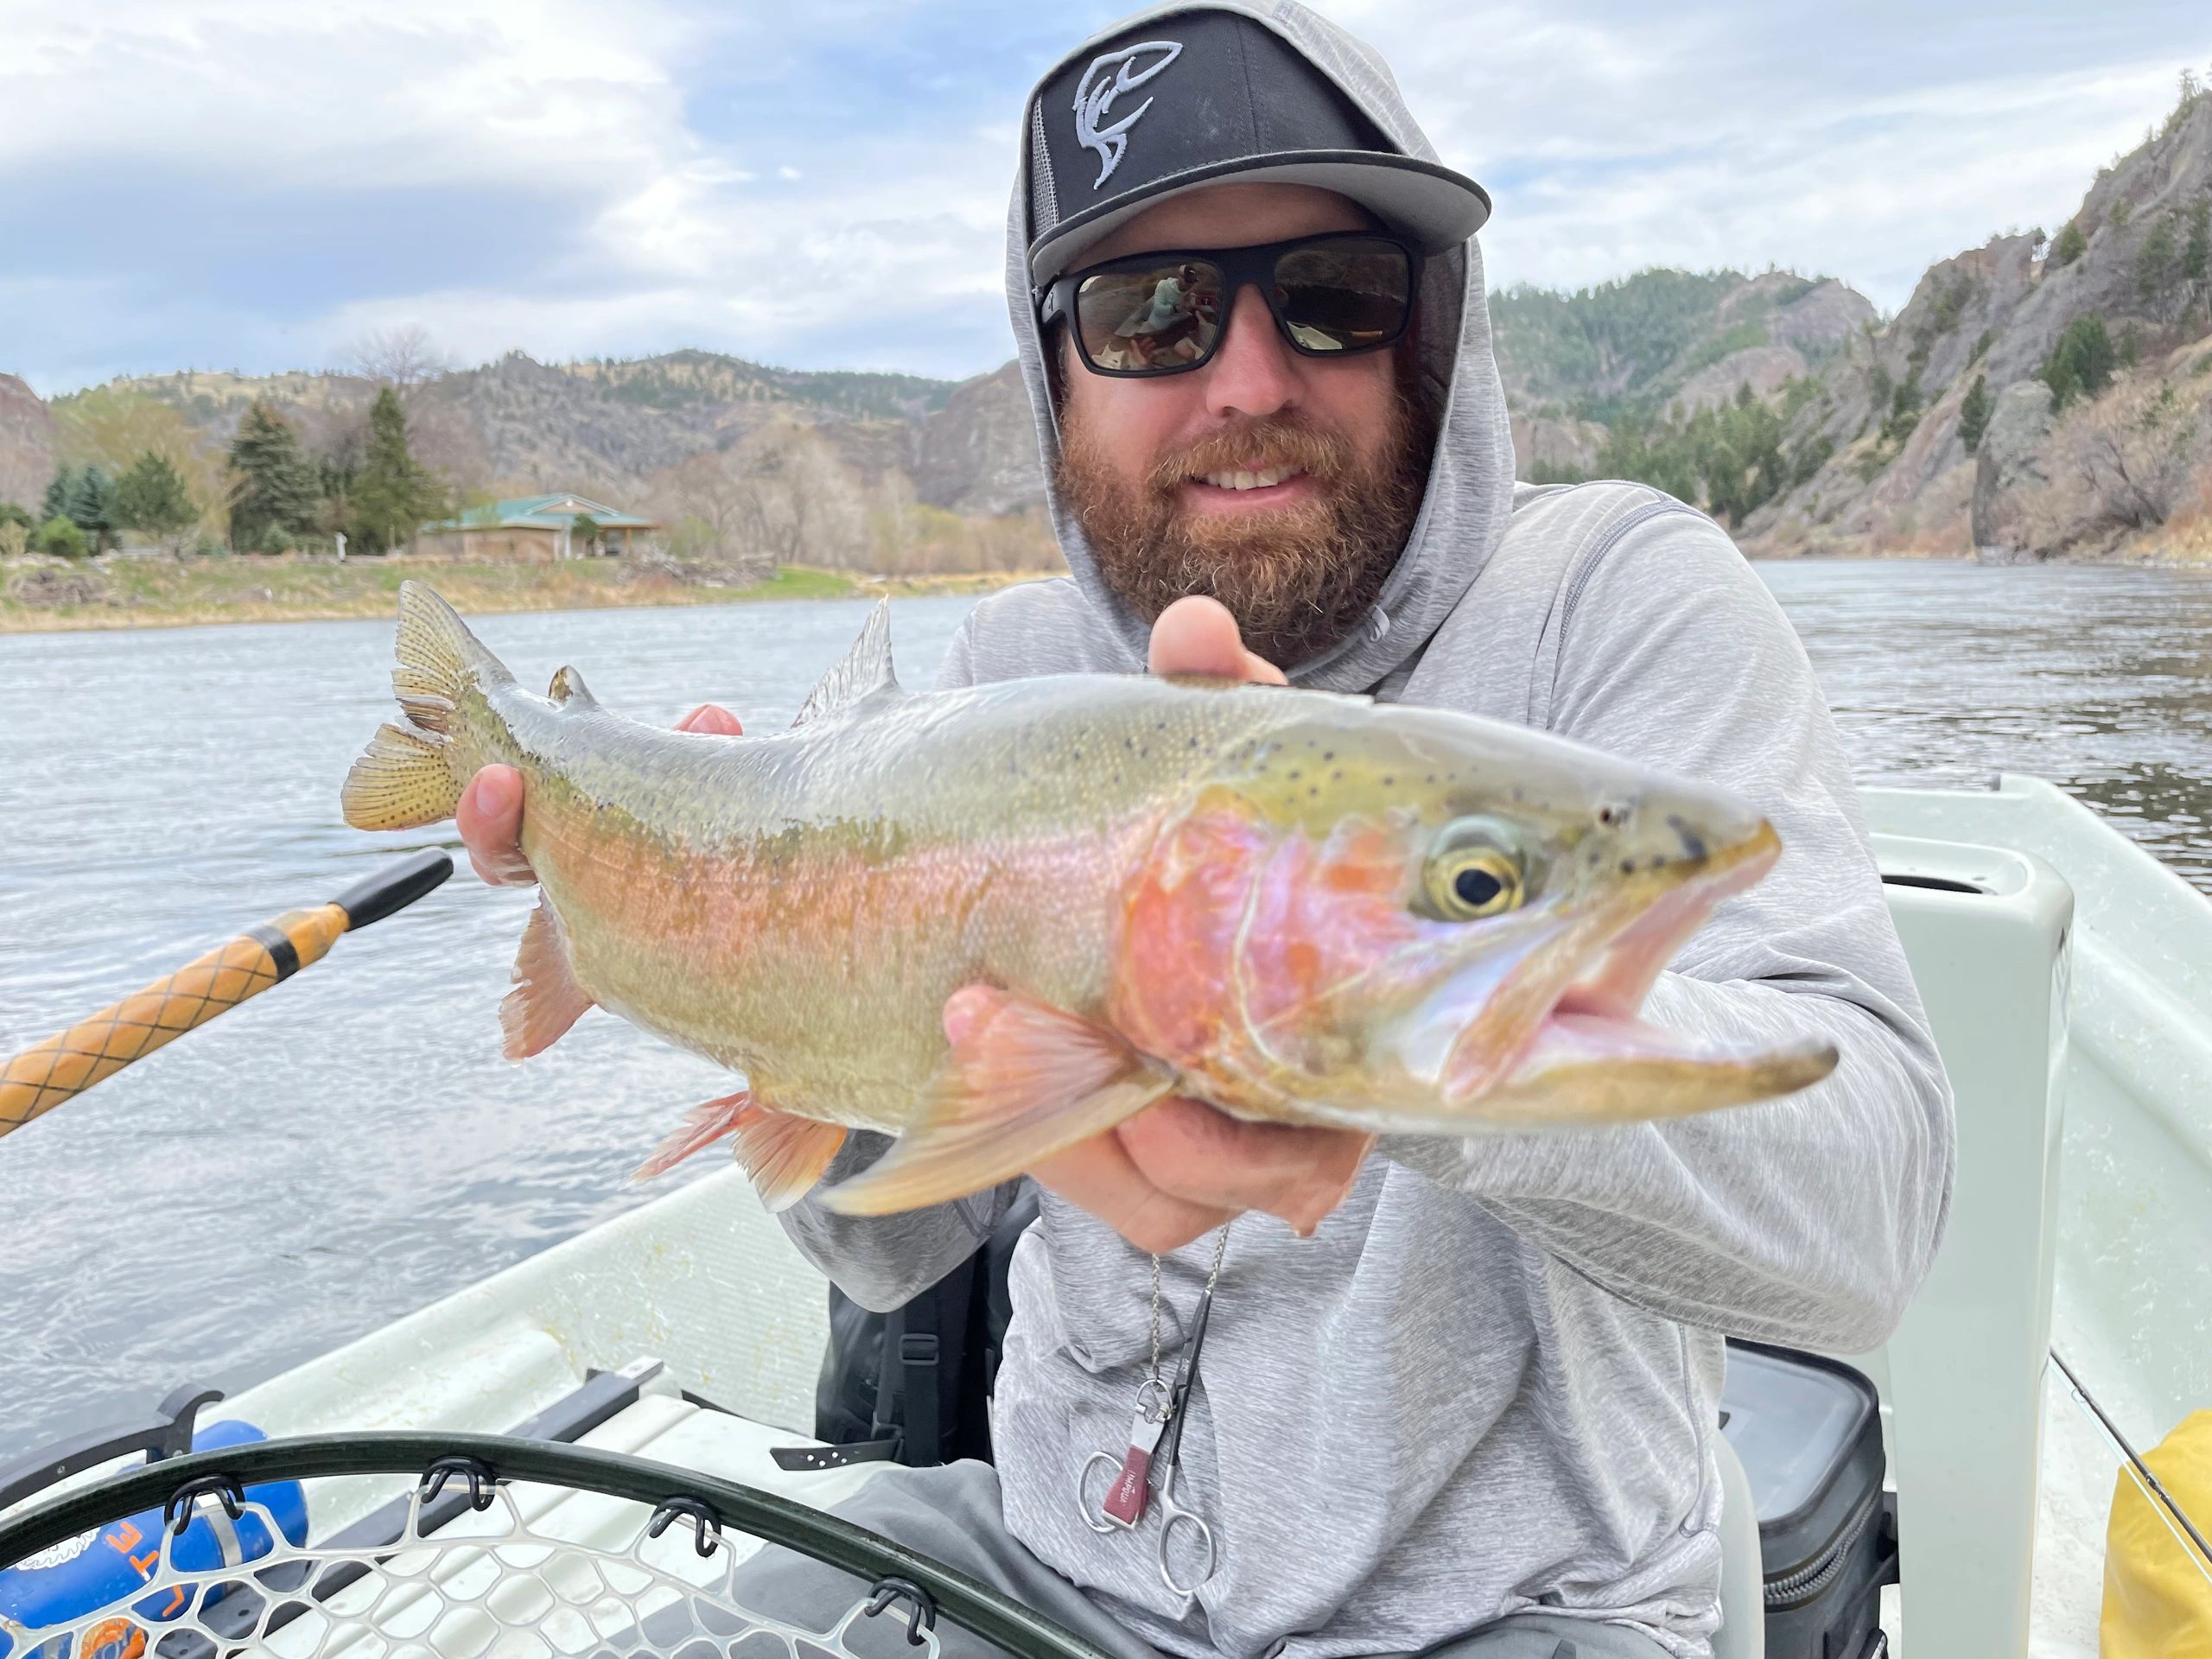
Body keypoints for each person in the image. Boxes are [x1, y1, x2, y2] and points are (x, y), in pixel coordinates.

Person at [454, 5, 1954, 1657]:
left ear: (1432, 329)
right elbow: (880, 1254)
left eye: (1335, 295)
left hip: (1518, 1616)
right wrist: (727, 937)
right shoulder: (1002, 675)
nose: (1249, 378)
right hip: (1030, 1564)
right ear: (1054, 371)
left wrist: (1377, 1033)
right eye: (1150, 312)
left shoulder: (1616, 600)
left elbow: (1871, 1211)